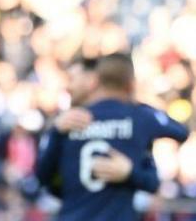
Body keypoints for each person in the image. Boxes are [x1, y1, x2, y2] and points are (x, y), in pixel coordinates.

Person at [35, 54, 189, 220]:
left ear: (94, 81)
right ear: (131, 85)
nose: (68, 87)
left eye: (73, 79)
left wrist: (56, 133)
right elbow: (180, 132)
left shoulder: (65, 124)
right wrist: (131, 174)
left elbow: (41, 178)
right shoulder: (138, 117)